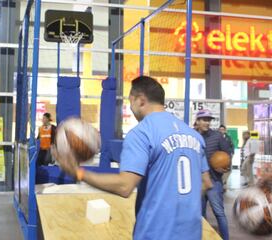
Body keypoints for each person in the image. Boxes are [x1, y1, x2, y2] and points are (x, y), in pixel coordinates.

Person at [52, 76, 212, 240]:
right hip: (191, 232)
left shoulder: (142, 132)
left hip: (156, 233)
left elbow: (125, 186)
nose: (130, 107)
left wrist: (78, 173)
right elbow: (206, 183)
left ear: (141, 100)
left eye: (131, 102)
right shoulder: (194, 135)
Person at [195, 110, 230, 240]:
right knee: (200, 215)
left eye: (209, 120)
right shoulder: (191, 136)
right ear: (197, 121)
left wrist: (225, 167)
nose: (207, 122)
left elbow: (227, 154)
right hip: (197, 183)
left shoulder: (217, 136)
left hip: (214, 182)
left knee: (219, 213)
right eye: (204, 119)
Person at [218, 124, 234, 189]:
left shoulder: (228, 137)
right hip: (220, 158)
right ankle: (222, 185)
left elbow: (232, 146)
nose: (221, 131)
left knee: (228, 170)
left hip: (228, 156)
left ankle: (224, 183)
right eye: (220, 129)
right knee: (221, 170)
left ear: (225, 130)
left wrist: (232, 153)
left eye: (223, 129)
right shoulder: (217, 137)